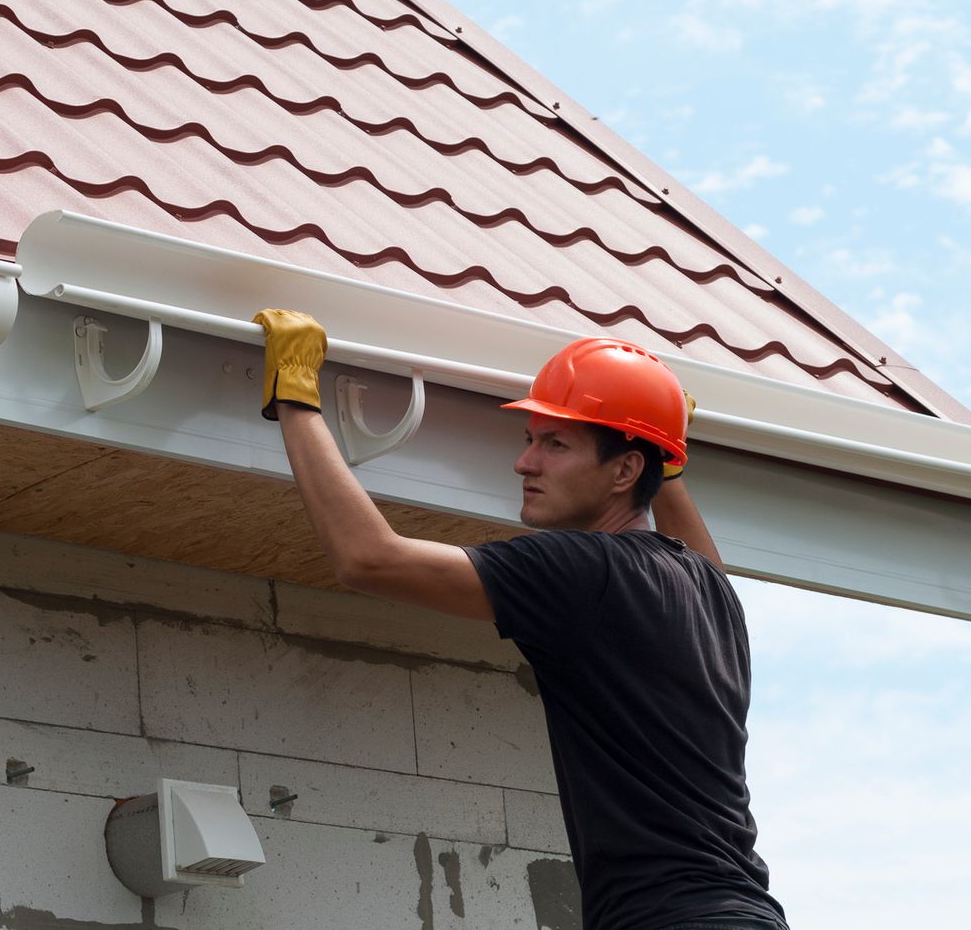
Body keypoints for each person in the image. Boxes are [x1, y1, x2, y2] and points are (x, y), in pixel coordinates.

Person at [254, 308, 788, 930]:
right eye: (529, 439)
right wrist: (660, 444)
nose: (524, 463)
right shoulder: (712, 594)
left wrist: (295, 396)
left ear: (624, 471)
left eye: (555, 444)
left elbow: (370, 561)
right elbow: (674, 507)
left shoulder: (581, 571)